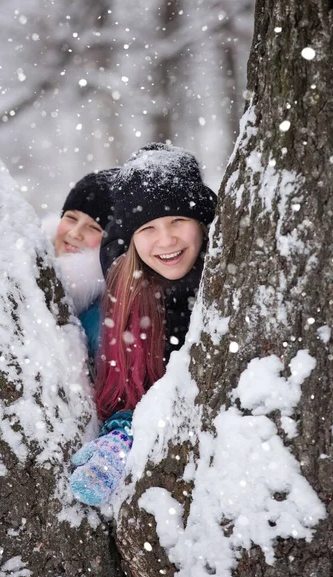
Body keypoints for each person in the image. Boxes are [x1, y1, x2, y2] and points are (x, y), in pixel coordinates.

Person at [70, 143, 217, 505]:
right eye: (148, 227)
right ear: (131, 238)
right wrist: (123, 434)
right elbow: (127, 394)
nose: (166, 239)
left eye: (178, 220)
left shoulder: (221, 289)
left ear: (201, 222)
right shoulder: (122, 306)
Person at [42, 168, 117, 359]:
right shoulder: (29, 265)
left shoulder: (102, 319)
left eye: (93, 227)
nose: (75, 233)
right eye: (71, 218)